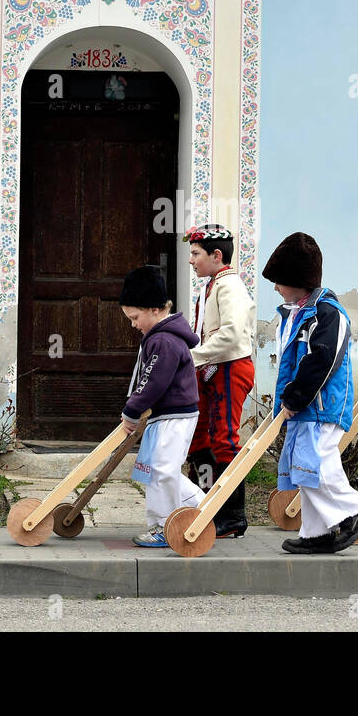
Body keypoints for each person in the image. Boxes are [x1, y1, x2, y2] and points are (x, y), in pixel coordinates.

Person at [265, 232, 358, 554]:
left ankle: (354, 511)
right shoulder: (296, 313)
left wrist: (297, 397)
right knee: (304, 469)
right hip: (302, 407)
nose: (275, 287)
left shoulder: (329, 315)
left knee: (318, 463)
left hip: (322, 406)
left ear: (296, 280)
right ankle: (317, 533)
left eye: (279, 280)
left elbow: (322, 360)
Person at [119, 265, 205, 547]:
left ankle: (163, 526)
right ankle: (202, 507)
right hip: (168, 415)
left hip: (175, 416)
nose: (133, 324)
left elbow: (153, 381)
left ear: (154, 309)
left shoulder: (164, 341)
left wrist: (132, 409)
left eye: (135, 317)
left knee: (162, 471)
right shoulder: (161, 337)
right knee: (160, 469)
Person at [184, 224, 256, 538]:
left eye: (195, 253)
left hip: (229, 367)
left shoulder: (230, 286)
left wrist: (193, 357)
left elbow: (231, 334)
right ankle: (205, 501)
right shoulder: (213, 285)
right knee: (199, 437)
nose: (190, 260)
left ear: (216, 255)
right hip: (212, 368)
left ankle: (232, 516)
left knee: (225, 439)